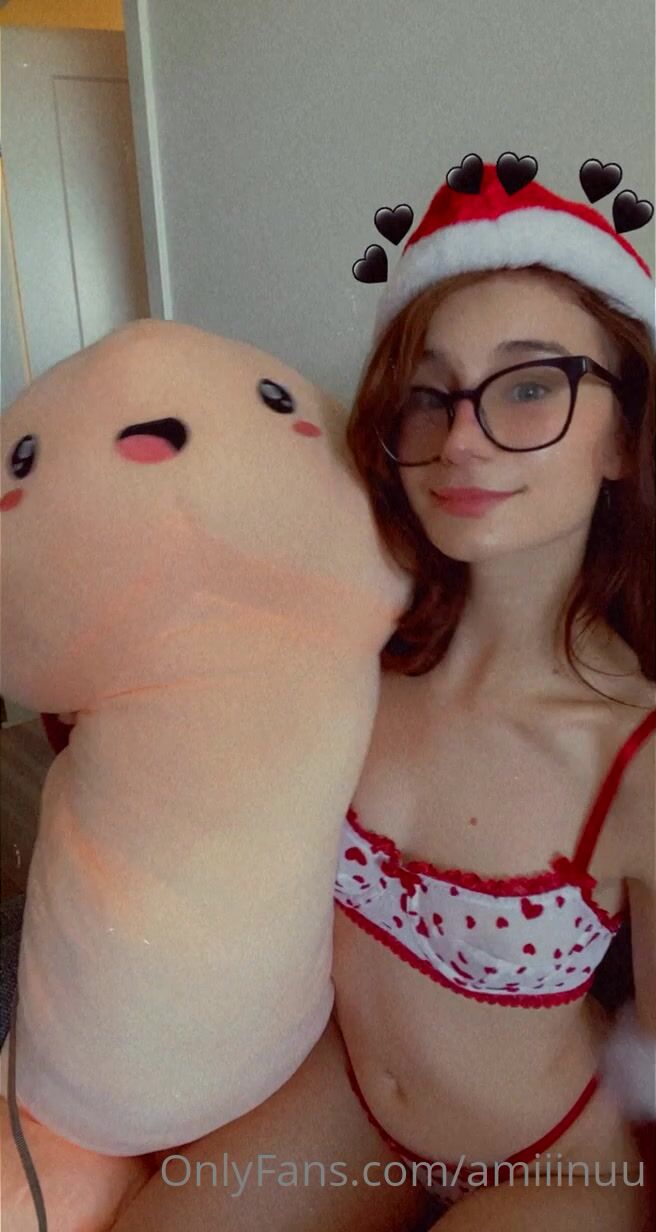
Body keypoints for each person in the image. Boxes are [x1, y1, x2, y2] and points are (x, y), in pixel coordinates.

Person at [109, 161, 653, 1231]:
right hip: (352, 1103)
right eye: (427, 393)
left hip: (552, 1166)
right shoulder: (348, 659)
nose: (461, 438)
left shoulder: (630, 753)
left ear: (625, 434)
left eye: (529, 385)